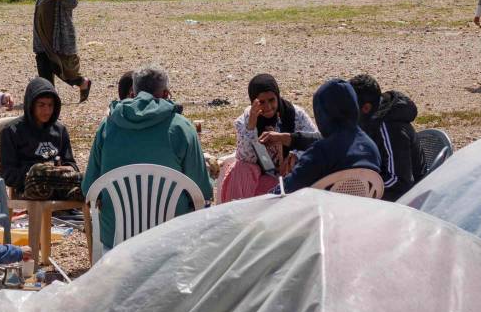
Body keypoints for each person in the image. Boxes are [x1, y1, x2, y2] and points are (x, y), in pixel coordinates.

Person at [81, 66, 214, 248]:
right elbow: (202, 190)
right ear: (166, 93)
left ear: (132, 93)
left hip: (117, 239)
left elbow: (89, 188)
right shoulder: (181, 128)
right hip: (171, 238)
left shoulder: (108, 126)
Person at [219, 73, 319, 203]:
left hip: (290, 176)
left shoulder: (295, 115)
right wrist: (251, 126)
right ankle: (238, 212)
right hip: (259, 176)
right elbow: (245, 157)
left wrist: (294, 155)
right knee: (240, 169)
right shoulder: (244, 120)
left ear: (277, 96)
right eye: (261, 102)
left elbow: (315, 142)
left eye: (271, 100)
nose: (268, 107)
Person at [282, 78, 381, 194]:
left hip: (322, 205)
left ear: (322, 114)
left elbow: (286, 189)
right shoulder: (371, 148)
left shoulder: (320, 152)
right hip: (359, 205)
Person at [349, 73, 422, 202]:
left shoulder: (390, 129)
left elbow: (399, 182)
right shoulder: (370, 118)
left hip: (405, 200)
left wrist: (360, 188)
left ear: (366, 108)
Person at [0, 77, 78, 192]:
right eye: (41, 105)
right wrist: (39, 172)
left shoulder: (60, 130)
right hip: (30, 188)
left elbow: (71, 164)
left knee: (87, 187)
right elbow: (8, 174)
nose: (47, 111)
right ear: (31, 105)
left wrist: (66, 169)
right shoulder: (11, 132)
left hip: (60, 185)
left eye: (50, 105)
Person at [33, 0, 93, 102]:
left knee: (61, 68)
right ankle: (49, 96)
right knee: (43, 66)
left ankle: (82, 82)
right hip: (42, 40)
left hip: (57, 40)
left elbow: (74, 2)